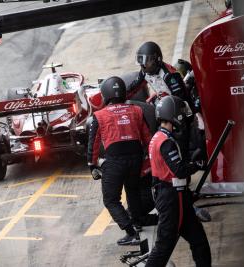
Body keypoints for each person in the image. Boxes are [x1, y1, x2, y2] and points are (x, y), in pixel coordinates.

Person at [146, 95, 211, 267]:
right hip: (172, 198)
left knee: (199, 241)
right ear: (173, 114)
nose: (182, 116)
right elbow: (179, 170)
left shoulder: (158, 137)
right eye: (181, 112)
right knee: (163, 246)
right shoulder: (166, 141)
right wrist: (197, 165)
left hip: (175, 196)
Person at [87, 76, 152, 245]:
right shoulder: (137, 110)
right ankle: (137, 222)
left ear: (105, 95)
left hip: (115, 161)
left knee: (111, 199)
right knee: (133, 190)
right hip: (136, 158)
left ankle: (131, 233)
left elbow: (93, 143)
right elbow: (148, 138)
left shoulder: (99, 115)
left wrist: (92, 165)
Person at [128, 41, 192, 108]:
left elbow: (181, 100)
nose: (143, 66)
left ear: (156, 59)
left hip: (178, 107)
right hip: (164, 101)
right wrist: (119, 98)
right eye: (142, 62)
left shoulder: (169, 75)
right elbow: (134, 87)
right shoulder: (145, 72)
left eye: (147, 61)